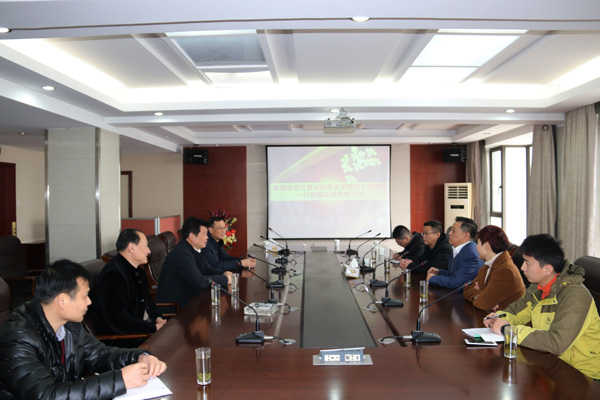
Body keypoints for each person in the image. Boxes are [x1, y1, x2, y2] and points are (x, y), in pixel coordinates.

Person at [0, 259, 167, 399]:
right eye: (85, 296)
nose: (89, 302)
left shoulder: (68, 324)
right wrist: (120, 380)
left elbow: (99, 355)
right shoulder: (16, 339)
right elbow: (46, 395)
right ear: (62, 300)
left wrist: (140, 357)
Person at [484, 234, 600, 380]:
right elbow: (515, 312)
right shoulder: (538, 289)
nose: (522, 267)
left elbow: (557, 342)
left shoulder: (575, 296)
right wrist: (497, 318)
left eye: (527, 263)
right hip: (551, 365)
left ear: (547, 269)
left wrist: (508, 330)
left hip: (583, 376)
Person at [92, 229, 166, 336]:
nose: (149, 251)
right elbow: (118, 321)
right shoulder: (113, 276)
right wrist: (152, 328)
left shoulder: (138, 271)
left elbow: (148, 303)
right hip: (126, 339)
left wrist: (158, 317)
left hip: (144, 329)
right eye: (146, 246)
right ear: (132, 248)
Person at [157, 217, 231, 307]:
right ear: (192, 236)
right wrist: (225, 279)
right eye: (204, 234)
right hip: (177, 307)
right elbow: (199, 281)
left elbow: (207, 269)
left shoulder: (193, 249)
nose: (207, 237)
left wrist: (224, 273)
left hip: (192, 298)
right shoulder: (181, 254)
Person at [463, 225, 525, 311]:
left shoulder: (505, 271)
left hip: (508, 318)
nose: (476, 247)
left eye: (478, 243)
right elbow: (467, 289)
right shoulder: (488, 265)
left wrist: (481, 295)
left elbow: (482, 303)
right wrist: (481, 294)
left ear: (486, 246)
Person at [426, 216, 483, 289]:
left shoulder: (470, 255)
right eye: (451, 230)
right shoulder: (461, 249)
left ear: (466, 236)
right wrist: (439, 272)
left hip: (462, 295)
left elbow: (456, 282)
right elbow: (455, 274)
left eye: (454, 231)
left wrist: (432, 278)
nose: (449, 233)